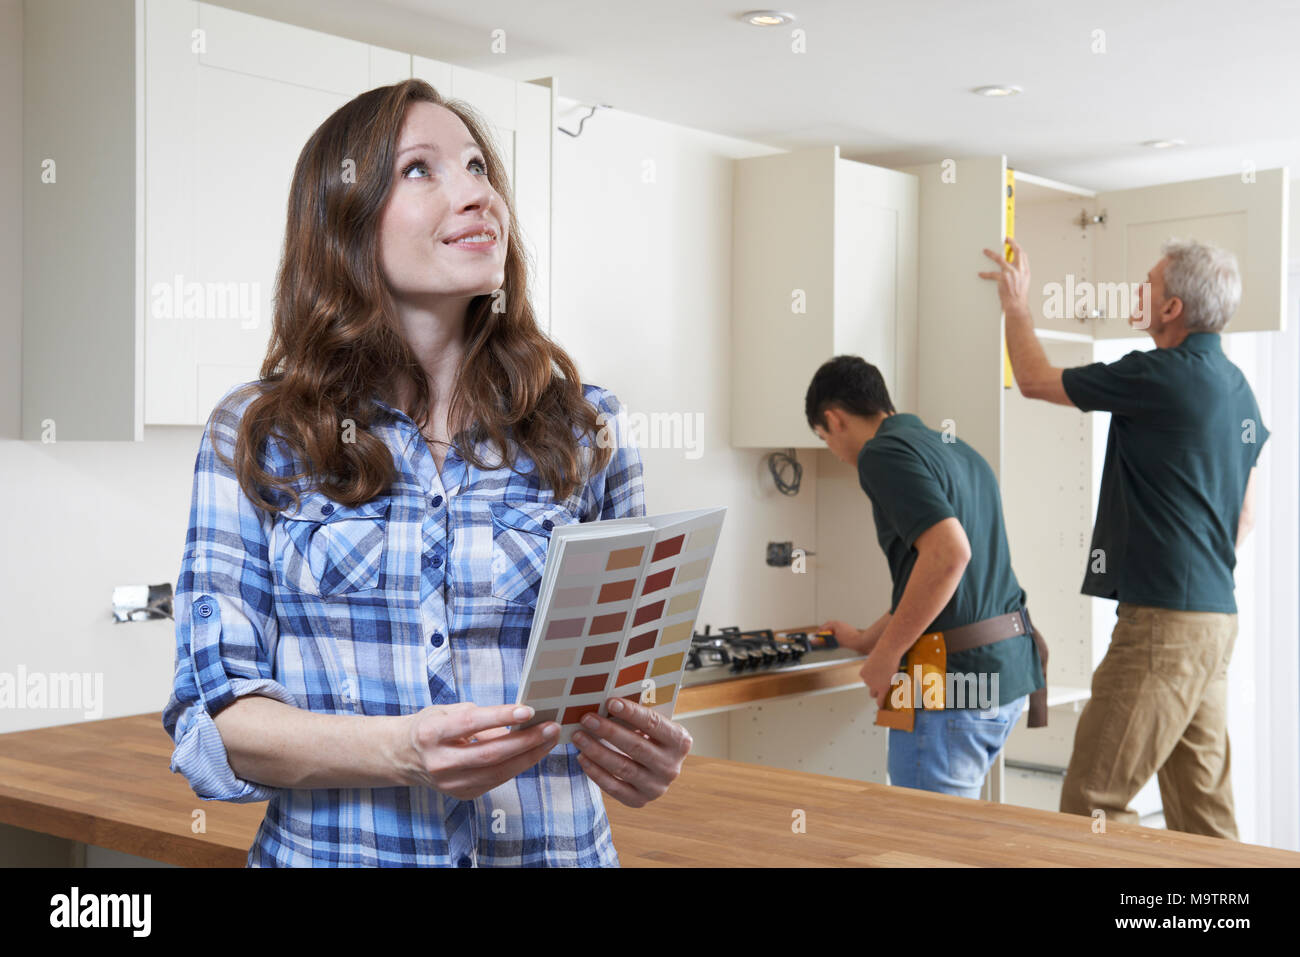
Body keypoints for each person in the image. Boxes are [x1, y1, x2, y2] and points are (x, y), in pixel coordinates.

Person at [162, 79, 692, 867]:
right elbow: (215, 716)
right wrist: (402, 749)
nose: (476, 193)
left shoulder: (583, 426)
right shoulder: (261, 433)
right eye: (422, 169)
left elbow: (622, 691)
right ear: (343, 219)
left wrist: (642, 750)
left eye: (479, 168)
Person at [982, 236, 1265, 840]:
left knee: (1096, 804)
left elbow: (1032, 379)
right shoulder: (1238, 387)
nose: (1140, 290)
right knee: (1203, 819)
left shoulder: (1156, 374)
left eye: (1149, 282)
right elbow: (1246, 515)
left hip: (1163, 627)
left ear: (1171, 309)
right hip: (1214, 623)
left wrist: (1017, 305)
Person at [808, 356, 1047, 798]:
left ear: (833, 419)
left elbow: (948, 556)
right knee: (953, 840)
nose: (836, 454)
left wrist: (886, 658)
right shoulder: (956, 449)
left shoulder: (881, 454)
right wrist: (866, 640)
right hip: (1008, 672)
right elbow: (935, 576)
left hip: (947, 682)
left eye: (825, 440)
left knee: (927, 847)